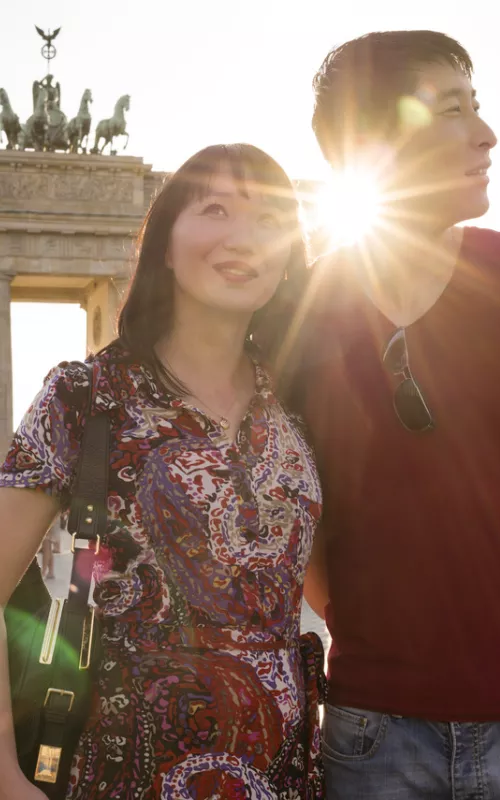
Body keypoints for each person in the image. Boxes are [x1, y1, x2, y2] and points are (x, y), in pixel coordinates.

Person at [259, 30, 500, 799]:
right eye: (453, 110)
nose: (487, 133)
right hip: (371, 743)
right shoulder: (299, 311)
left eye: (480, 107)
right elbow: (289, 503)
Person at [0, 144, 325, 799]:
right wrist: (6, 776)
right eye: (216, 209)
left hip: (286, 779)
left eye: (269, 221)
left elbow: (335, 589)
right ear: (164, 246)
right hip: (114, 776)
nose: (244, 238)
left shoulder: (300, 410)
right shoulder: (82, 397)